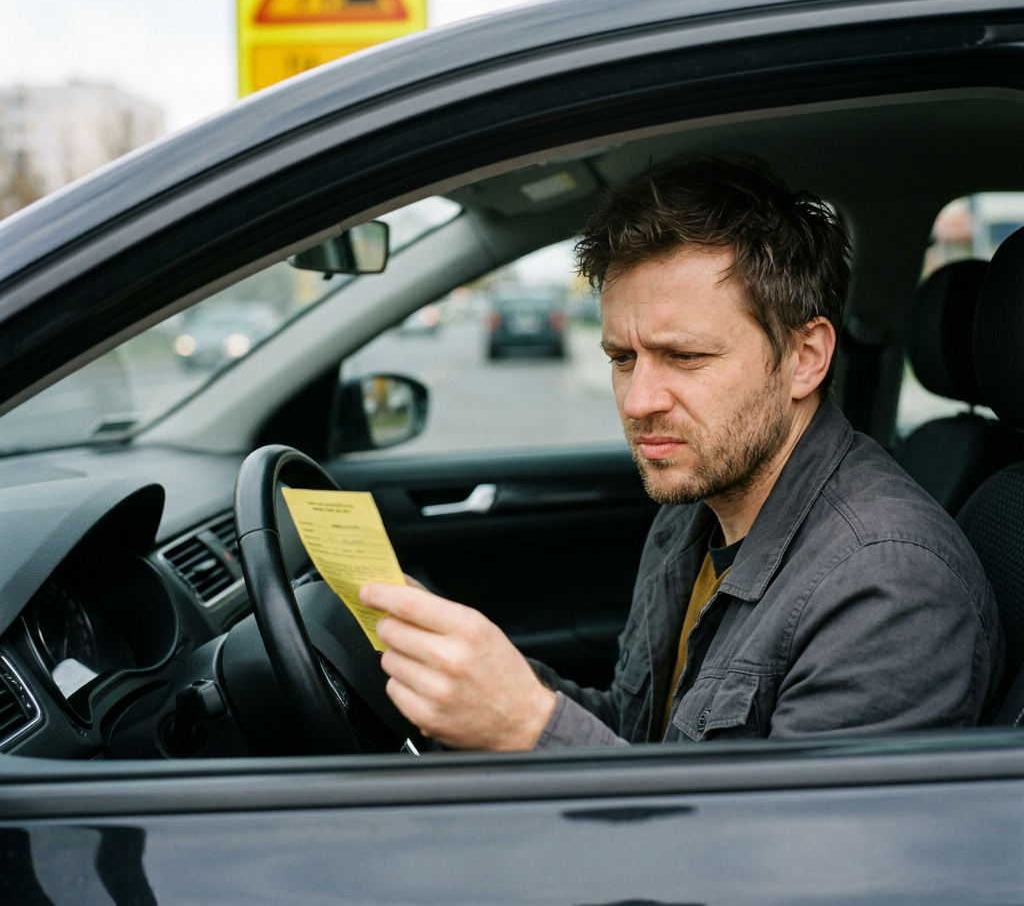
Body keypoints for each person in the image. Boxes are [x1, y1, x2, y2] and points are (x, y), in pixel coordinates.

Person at [360, 159, 1004, 749]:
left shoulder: (889, 587)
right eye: (621, 358)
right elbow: (645, 739)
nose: (639, 401)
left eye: (686, 357)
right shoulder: (693, 511)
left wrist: (531, 729)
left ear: (805, 358)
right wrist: (481, 678)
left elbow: (780, 868)